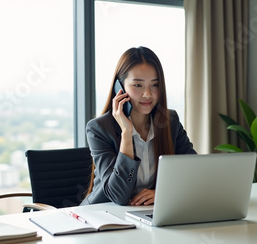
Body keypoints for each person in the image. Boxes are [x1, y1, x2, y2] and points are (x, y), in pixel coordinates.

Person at [81, 46, 196, 206]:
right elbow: (118, 195)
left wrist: (163, 193)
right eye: (138, 85)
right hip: (104, 216)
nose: (147, 94)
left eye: (154, 85)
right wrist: (127, 133)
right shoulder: (99, 128)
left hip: (148, 214)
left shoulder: (170, 121)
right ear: (119, 88)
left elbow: (194, 171)